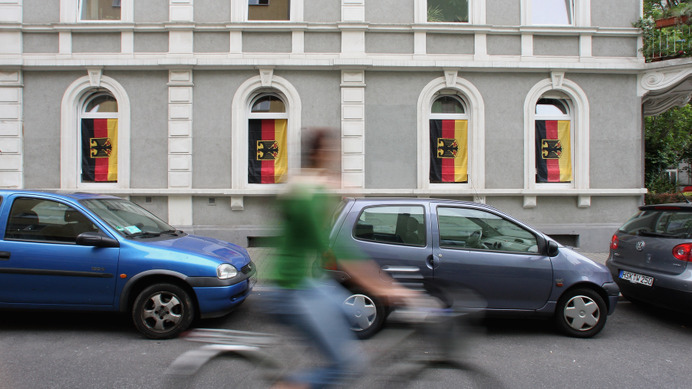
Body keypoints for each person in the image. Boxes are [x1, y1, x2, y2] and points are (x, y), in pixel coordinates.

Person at [262, 128, 417, 389]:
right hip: (291, 287)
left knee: (347, 312)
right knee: (347, 366)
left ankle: (327, 352)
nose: (336, 157)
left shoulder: (311, 186)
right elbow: (334, 249)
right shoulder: (305, 194)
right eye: (332, 152)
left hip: (308, 282)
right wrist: (383, 287)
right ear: (320, 153)